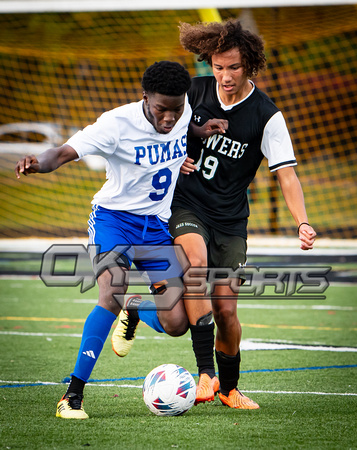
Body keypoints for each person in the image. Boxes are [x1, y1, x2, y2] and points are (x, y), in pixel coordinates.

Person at [111, 20, 317, 410]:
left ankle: (228, 387)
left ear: (249, 65)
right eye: (218, 67)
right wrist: (174, 157)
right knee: (196, 264)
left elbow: (286, 175)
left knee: (225, 308)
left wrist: (302, 221)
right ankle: (206, 373)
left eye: (234, 67)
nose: (224, 75)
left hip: (231, 219)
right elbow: (156, 126)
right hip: (185, 205)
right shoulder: (192, 92)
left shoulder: (267, 115)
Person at [15, 60, 223, 419]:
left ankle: (136, 306)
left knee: (176, 324)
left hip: (155, 226)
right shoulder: (116, 124)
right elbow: (64, 152)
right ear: (145, 98)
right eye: (161, 109)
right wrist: (39, 163)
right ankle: (72, 396)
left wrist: (200, 133)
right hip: (114, 220)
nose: (170, 117)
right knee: (111, 290)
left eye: (176, 109)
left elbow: (185, 127)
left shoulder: (181, 107)